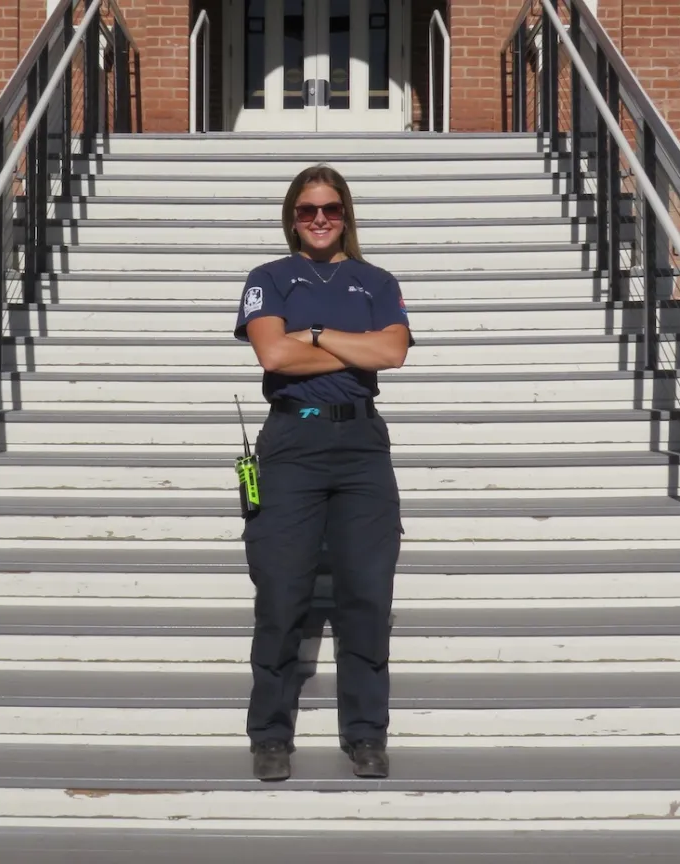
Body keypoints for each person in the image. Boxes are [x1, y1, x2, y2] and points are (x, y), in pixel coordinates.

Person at [233, 163, 413, 783]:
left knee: (366, 595)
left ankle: (366, 734)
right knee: (282, 593)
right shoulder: (268, 278)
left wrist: (312, 331)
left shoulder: (376, 280)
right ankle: (270, 735)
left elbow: (391, 353)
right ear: (292, 216)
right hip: (291, 441)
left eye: (330, 209)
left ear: (345, 215)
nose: (319, 219)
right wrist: (346, 343)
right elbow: (272, 354)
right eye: (307, 209)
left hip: (361, 442)